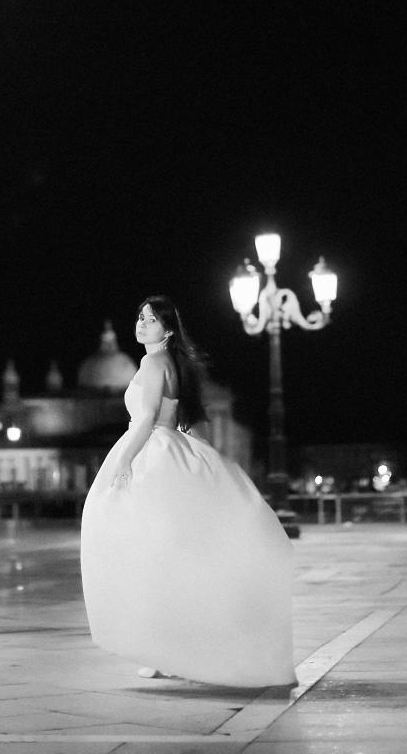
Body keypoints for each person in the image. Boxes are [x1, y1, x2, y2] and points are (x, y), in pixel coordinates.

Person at [80, 295, 297, 688]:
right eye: (139, 316)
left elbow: (145, 419)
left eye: (150, 319)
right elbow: (186, 421)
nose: (141, 324)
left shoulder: (151, 362)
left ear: (167, 328)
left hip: (151, 453)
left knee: (142, 550)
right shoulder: (177, 364)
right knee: (170, 553)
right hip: (172, 451)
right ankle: (171, 647)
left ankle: (162, 647)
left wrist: (125, 460)